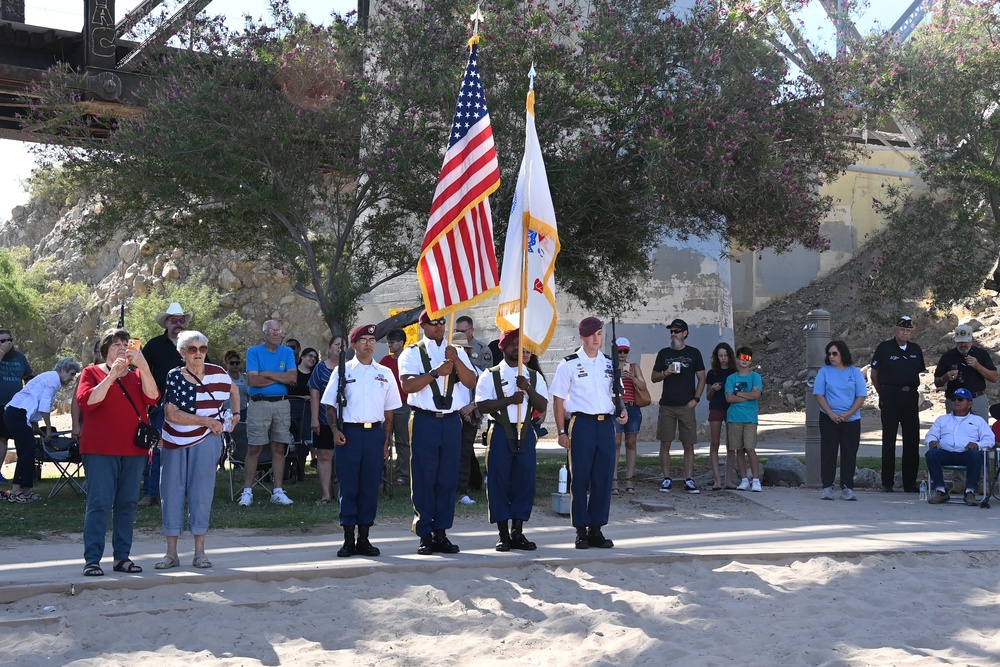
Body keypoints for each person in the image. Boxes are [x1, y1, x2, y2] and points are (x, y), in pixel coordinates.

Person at [156, 330, 239, 570]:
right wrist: (206, 421)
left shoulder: (218, 373)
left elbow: (233, 391)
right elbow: (171, 413)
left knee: (202, 493)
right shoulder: (175, 375)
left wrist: (235, 415)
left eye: (202, 349)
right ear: (182, 353)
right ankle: (171, 553)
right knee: (171, 492)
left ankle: (200, 552)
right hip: (175, 439)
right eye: (192, 349)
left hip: (207, 440)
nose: (198, 353)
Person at [77, 331, 157, 575]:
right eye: (116, 345)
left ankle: (122, 557)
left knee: (127, 504)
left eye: (126, 344)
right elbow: (88, 402)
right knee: (99, 503)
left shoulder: (137, 374)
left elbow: (153, 397)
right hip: (100, 450)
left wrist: (142, 365)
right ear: (106, 350)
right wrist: (112, 375)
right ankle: (92, 560)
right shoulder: (91, 373)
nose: (122, 348)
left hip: (134, 450)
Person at [398, 310, 478, 555]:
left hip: (452, 421)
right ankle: (424, 533)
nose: (440, 327)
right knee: (424, 476)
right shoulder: (412, 352)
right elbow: (408, 385)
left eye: (443, 322)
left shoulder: (458, 351)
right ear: (424, 326)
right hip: (425, 419)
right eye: (435, 323)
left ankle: (441, 531)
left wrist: (456, 361)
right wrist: (435, 373)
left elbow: (471, 382)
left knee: (447, 477)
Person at [321, 324, 401, 557]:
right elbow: (329, 406)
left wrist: (386, 440)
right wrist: (335, 431)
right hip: (350, 434)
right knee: (349, 486)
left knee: (369, 486)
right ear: (353, 345)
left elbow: (389, 412)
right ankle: (348, 539)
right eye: (363, 339)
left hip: (374, 434)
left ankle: (364, 538)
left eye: (372, 340)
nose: (368, 344)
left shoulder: (384, 373)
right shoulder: (343, 371)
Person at [551, 316, 628, 549]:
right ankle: (581, 530)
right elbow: (558, 400)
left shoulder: (608, 363)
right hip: (581, 424)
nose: (597, 338)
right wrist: (562, 431)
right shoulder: (569, 364)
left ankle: (597, 528)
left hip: (605, 425)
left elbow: (616, 395)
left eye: (599, 334)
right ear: (582, 336)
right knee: (580, 477)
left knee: (603, 478)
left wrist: (621, 410)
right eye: (592, 334)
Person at [476, 328, 548, 551]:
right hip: (500, 432)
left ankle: (518, 531)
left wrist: (527, 388)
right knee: (498, 482)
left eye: (521, 345)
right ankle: (503, 533)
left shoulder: (533, 375)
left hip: (526, 433)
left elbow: (542, 405)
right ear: (503, 347)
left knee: (524, 482)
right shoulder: (491, 375)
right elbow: (482, 405)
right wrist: (508, 401)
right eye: (513, 345)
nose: (518, 349)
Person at [4, 357, 82, 503]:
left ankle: (26, 490)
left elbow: (34, 404)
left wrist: (35, 427)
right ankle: (16, 491)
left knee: (29, 451)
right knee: (27, 451)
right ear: (63, 369)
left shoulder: (51, 378)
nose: (71, 379)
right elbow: (44, 406)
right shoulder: (53, 379)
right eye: (71, 374)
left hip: (20, 414)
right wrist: (48, 429)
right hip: (17, 413)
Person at [140, 301, 192, 507]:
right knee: (156, 448)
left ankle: (183, 493)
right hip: (160, 404)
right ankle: (151, 492)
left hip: (187, 405)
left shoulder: (192, 344)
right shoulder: (153, 345)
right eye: (174, 321)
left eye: (181, 320)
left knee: (186, 447)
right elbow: (142, 373)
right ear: (166, 323)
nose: (178, 324)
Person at [240, 319, 297, 506]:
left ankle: (278, 491)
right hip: (259, 404)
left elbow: (292, 377)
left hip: (281, 404)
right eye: (271, 330)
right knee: (254, 447)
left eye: (278, 330)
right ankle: (247, 491)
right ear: (264, 333)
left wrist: (266, 373)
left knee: (279, 447)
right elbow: (253, 382)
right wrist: (281, 379)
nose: (275, 333)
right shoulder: (254, 351)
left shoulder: (287, 351)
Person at [870, 315, 926, 493]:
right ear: (895, 329)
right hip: (890, 394)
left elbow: (918, 371)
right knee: (889, 439)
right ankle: (887, 482)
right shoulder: (885, 348)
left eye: (908, 330)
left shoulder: (915, 349)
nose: (905, 333)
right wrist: (882, 394)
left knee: (912, 439)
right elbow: (874, 374)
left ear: (912, 332)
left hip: (909, 396)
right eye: (902, 329)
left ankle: (910, 482)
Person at [650, 318, 706, 494]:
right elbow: (653, 377)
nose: (673, 334)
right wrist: (666, 372)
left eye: (677, 331)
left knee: (688, 444)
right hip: (667, 404)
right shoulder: (664, 353)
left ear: (685, 333)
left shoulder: (694, 353)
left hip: (686, 405)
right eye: (671, 331)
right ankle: (666, 478)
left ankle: (689, 479)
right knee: (665, 442)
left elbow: (702, 378)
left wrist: (696, 399)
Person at [813, 341, 868, 501]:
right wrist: (831, 414)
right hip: (829, 418)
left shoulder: (855, 372)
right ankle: (827, 487)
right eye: (829, 354)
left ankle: (847, 487)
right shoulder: (824, 371)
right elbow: (818, 394)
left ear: (843, 354)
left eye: (834, 353)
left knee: (849, 454)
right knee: (828, 452)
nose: (831, 357)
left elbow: (861, 396)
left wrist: (848, 414)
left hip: (851, 420)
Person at [924, 388, 995, 505]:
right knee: (931, 454)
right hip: (946, 453)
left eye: (960, 399)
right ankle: (941, 491)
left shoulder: (977, 421)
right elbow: (931, 435)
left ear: (970, 404)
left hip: (966, 454)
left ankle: (970, 491)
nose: (956, 401)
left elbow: (989, 439)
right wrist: (932, 441)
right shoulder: (943, 419)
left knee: (976, 455)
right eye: (954, 399)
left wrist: (977, 444)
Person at [933, 324, 997, 420]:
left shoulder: (982, 354)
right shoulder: (947, 356)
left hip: (977, 399)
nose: (963, 345)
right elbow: (937, 382)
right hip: (955, 401)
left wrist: (978, 366)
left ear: (972, 340)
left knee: (979, 431)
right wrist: (945, 377)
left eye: (966, 341)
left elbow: (994, 378)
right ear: (955, 341)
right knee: (955, 432)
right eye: (960, 342)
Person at [309, 335, 343, 505]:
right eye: (336, 344)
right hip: (324, 419)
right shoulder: (320, 369)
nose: (339, 347)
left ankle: (344, 494)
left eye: (343, 345)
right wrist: (314, 418)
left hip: (347, 420)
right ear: (330, 348)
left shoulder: (352, 367)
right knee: (324, 454)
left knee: (345, 457)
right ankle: (326, 495)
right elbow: (314, 394)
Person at [725, 347, 763, 492]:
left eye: (747, 358)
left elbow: (756, 395)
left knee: (750, 448)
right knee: (738, 450)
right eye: (741, 357)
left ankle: (756, 479)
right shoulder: (731, 378)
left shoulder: (755, 377)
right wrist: (747, 394)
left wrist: (739, 394)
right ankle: (744, 479)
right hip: (734, 418)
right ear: (736, 359)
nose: (744, 360)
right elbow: (729, 398)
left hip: (750, 418)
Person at [614, 337, 647, 495]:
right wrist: (617, 376)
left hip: (632, 408)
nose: (622, 354)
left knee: (631, 443)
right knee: (616, 443)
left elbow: (643, 385)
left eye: (624, 351)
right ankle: (614, 479)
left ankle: (629, 478)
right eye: (619, 351)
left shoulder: (634, 367)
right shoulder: (611, 366)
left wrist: (632, 378)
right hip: (616, 407)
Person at [0, 329, 33, 484]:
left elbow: (29, 378)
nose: (7, 343)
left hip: (16, 406)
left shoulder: (19, 357)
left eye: (9, 340)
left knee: (21, 440)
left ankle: (22, 475)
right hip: (0, 404)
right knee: (1, 440)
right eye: (2, 341)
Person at [453, 330, 482, 506]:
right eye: (458, 349)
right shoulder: (445, 370)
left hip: (468, 417)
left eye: (464, 349)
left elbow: (485, 394)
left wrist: (471, 406)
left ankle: (462, 491)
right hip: (450, 415)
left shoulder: (475, 370)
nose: (462, 352)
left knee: (464, 455)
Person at [379, 329, 410, 486]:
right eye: (388, 342)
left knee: (403, 442)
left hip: (404, 405)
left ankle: (402, 475)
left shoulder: (409, 359)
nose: (389, 345)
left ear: (401, 343)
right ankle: (380, 471)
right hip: (386, 406)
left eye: (392, 342)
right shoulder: (385, 361)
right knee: (382, 439)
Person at [705, 342, 737, 490]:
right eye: (720, 356)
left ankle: (728, 480)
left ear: (729, 356)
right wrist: (713, 388)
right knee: (714, 443)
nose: (723, 358)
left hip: (731, 408)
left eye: (725, 355)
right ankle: (717, 480)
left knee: (731, 445)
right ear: (716, 357)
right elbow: (708, 396)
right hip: (716, 408)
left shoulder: (734, 373)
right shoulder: (712, 373)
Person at [223, 349, 249, 416]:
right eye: (232, 363)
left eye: (237, 363)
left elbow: (248, 394)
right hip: (227, 411)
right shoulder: (223, 378)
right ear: (227, 363)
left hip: (243, 410)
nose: (235, 365)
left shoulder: (244, 377)